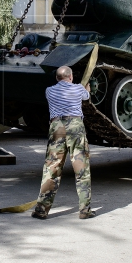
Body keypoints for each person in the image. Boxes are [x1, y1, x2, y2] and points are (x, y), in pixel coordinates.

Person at [32, 65, 95, 220]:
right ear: (71, 77)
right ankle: (84, 210)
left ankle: (41, 210)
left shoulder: (49, 91)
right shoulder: (79, 89)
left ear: (56, 78)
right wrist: (87, 88)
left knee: (52, 168)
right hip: (75, 126)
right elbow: (86, 97)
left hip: (57, 127)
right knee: (81, 169)